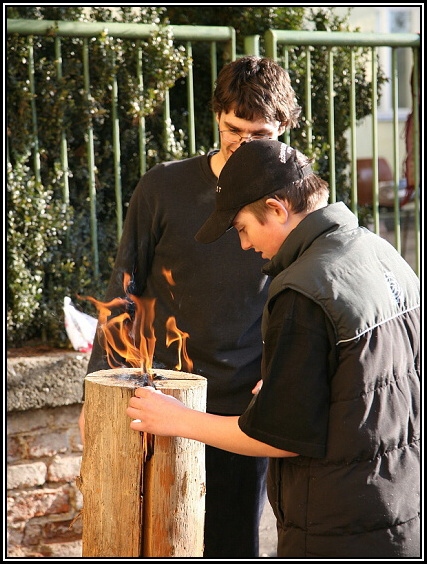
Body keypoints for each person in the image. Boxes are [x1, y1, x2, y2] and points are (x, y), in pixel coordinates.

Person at [126, 139, 420, 558]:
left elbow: (280, 437)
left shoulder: (303, 289)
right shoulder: (384, 255)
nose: (244, 245)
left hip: (337, 529)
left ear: (277, 209)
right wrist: (299, 384)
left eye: (243, 227)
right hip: (403, 509)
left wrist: (176, 418)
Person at [79, 57, 301, 558]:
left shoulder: (294, 201)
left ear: (285, 128)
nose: (242, 144)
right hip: (159, 400)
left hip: (241, 414)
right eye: (232, 130)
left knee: (232, 547)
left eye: (259, 134)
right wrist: (95, 392)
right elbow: (124, 286)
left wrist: (281, 373)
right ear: (216, 118)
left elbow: (301, 298)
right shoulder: (163, 186)